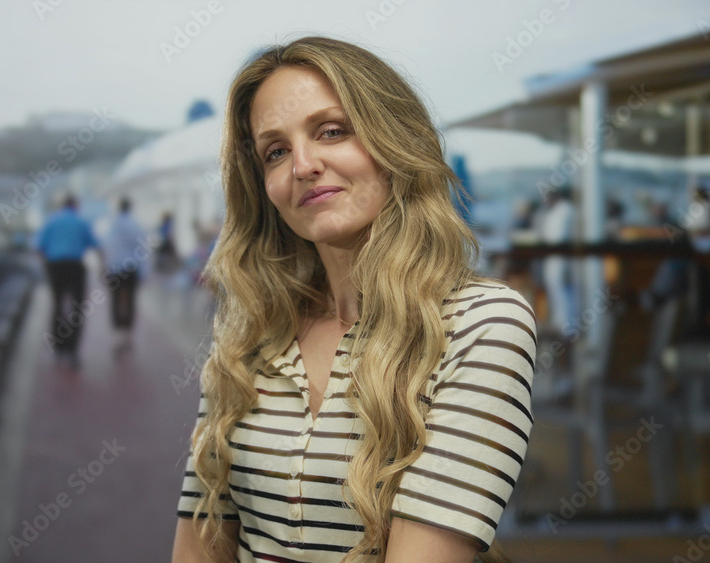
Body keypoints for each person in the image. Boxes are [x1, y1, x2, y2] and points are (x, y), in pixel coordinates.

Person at [172, 37, 536, 563]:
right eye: (275, 151)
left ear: (395, 139)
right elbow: (199, 547)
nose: (302, 164)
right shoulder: (247, 338)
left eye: (332, 131)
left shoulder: (479, 323)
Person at [35, 194, 103, 369]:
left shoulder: (51, 221)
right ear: (75, 206)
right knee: (77, 307)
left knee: (57, 304)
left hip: (55, 266)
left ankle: (58, 345)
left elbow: (38, 247)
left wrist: (46, 267)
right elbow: (96, 245)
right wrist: (103, 267)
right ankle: (73, 349)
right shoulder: (81, 222)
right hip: (74, 266)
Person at [103, 197, 149, 348]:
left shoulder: (112, 226)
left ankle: (117, 331)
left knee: (115, 300)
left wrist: (105, 267)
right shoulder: (136, 225)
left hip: (115, 268)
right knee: (130, 299)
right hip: (131, 268)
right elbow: (142, 250)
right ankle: (127, 332)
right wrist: (144, 272)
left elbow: (108, 248)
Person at [538, 187, 574, 333]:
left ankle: (566, 324)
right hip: (554, 257)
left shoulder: (565, 211)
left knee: (562, 290)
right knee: (556, 289)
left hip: (560, 256)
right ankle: (561, 322)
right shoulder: (559, 211)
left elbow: (558, 236)